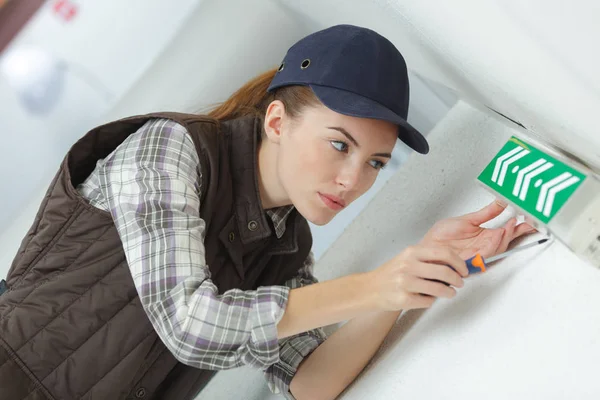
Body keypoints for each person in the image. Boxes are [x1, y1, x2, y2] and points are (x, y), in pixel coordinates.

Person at [0, 24, 534, 400]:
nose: (354, 181)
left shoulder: (284, 246)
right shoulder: (170, 149)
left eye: (375, 162)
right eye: (340, 145)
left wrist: (418, 272)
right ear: (277, 121)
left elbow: (311, 380)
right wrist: (379, 284)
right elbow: (189, 324)